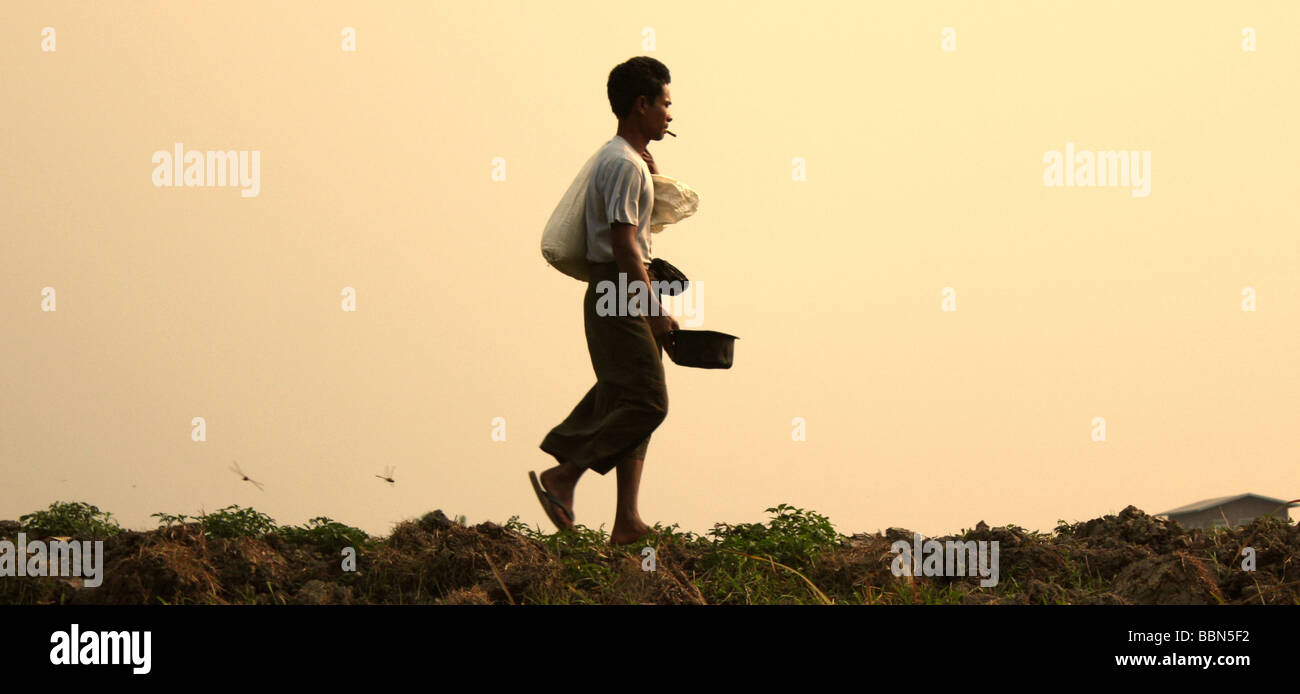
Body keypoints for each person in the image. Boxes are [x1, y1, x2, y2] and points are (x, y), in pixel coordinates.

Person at [532, 56, 679, 546]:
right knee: (648, 400)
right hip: (618, 288)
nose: (669, 115)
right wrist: (653, 307)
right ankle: (564, 475)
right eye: (664, 103)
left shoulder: (627, 161)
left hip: (623, 286)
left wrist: (651, 172)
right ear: (642, 105)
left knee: (626, 395)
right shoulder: (620, 163)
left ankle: (627, 520)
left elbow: (635, 231)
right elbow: (623, 244)